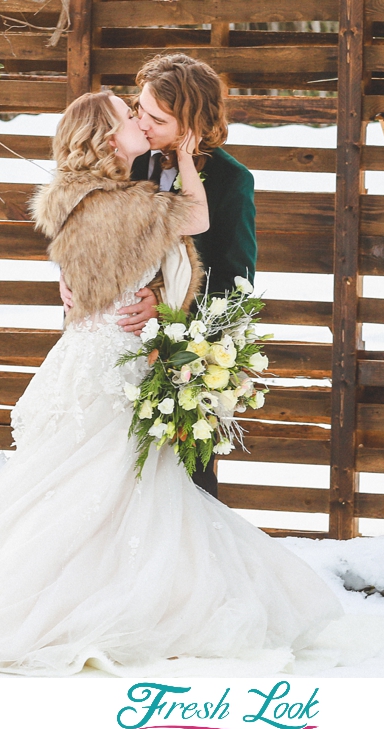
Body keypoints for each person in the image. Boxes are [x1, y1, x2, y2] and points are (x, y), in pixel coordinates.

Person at [0, 91, 342, 676]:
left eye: (145, 114)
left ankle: (99, 592)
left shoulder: (79, 196)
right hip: (113, 360)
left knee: (97, 487)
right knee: (113, 484)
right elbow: (197, 219)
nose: (139, 122)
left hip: (93, 353)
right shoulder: (130, 202)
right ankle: (107, 604)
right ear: (112, 140)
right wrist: (186, 160)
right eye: (130, 116)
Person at [60, 53, 256, 499]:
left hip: (181, 362)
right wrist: (69, 273)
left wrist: (170, 310)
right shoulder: (127, 155)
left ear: (195, 125)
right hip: (107, 351)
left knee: (180, 488)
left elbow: (233, 281)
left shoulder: (230, 182)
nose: (142, 124)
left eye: (158, 119)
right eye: (139, 110)